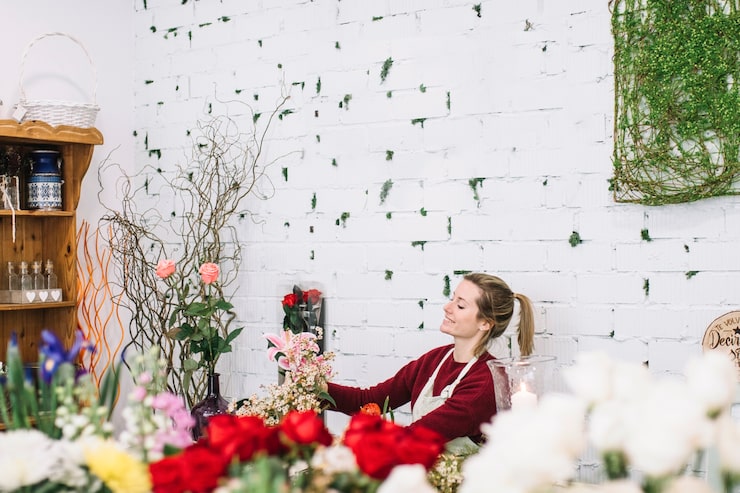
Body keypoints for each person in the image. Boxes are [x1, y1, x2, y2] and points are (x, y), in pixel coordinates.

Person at [326, 272, 535, 453]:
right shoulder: (435, 360)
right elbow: (370, 400)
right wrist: (317, 389)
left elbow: (418, 435)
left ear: (485, 323)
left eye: (460, 305)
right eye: (452, 299)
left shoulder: (484, 382)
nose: (447, 307)